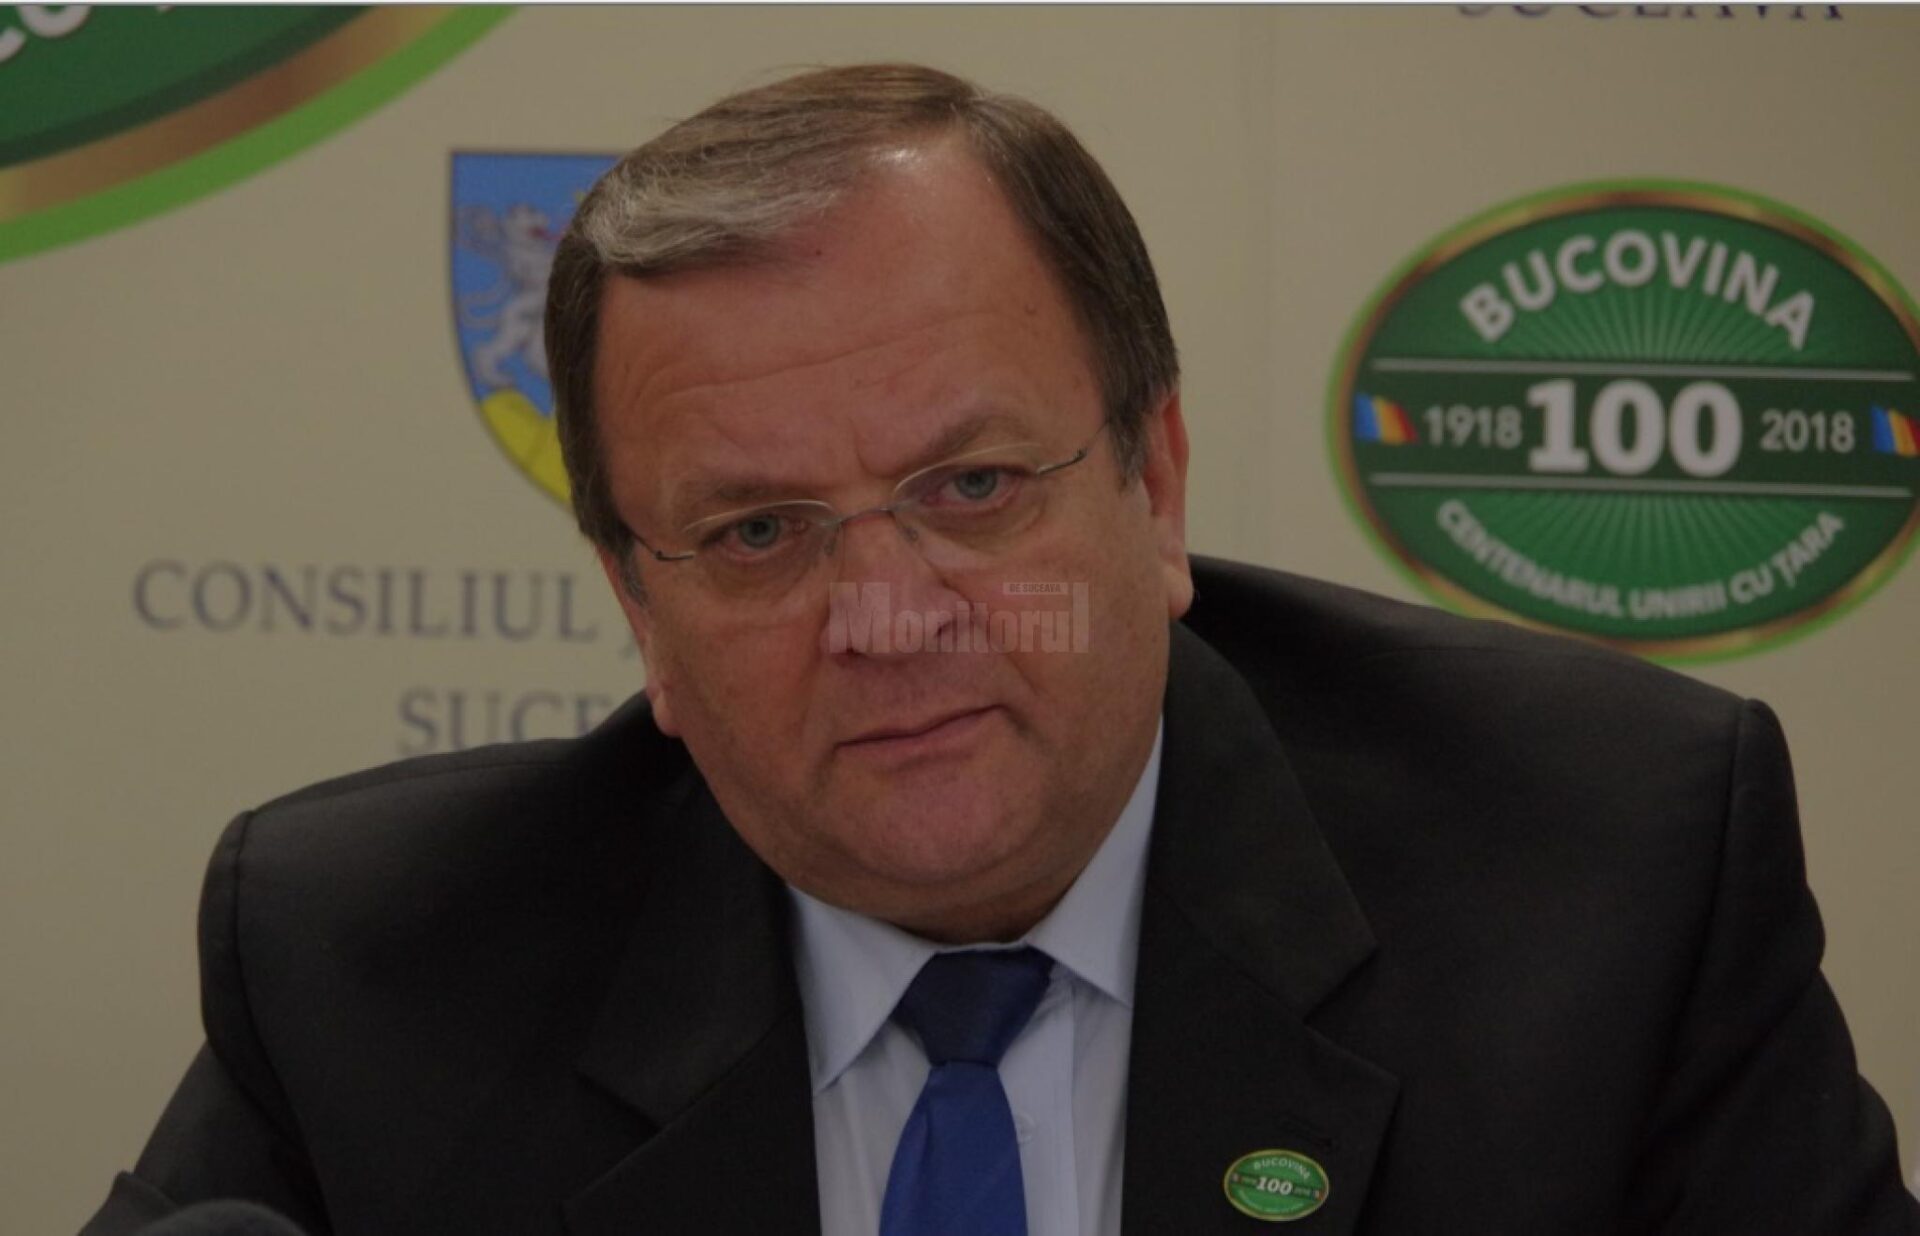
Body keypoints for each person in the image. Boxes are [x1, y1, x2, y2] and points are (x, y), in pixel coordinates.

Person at [85, 63, 1917, 1236]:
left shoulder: (1606, 875)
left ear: (1156, 484)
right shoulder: (368, 968)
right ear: (642, 611)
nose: (888, 620)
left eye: (970, 487)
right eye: (757, 533)